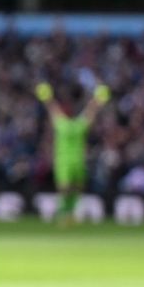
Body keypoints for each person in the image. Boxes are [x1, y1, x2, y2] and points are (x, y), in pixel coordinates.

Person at [34, 80, 109, 224]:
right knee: (69, 188)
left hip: (71, 161)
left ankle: (68, 214)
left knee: (72, 188)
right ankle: (65, 213)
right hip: (69, 162)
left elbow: (54, 110)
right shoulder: (70, 125)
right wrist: (97, 100)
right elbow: (88, 112)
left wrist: (47, 98)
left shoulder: (68, 125)